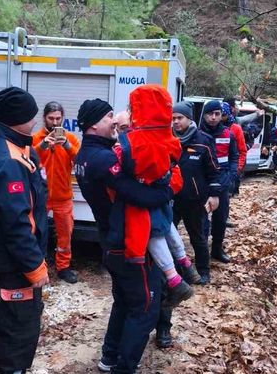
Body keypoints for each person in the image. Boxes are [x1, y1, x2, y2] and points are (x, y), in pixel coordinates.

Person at [74, 98, 174, 373]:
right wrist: (167, 191)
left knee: (125, 302)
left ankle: (109, 357)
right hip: (128, 242)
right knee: (144, 309)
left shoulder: (85, 155)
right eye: (109, 117)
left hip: (110, 240)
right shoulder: (104, 158)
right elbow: (136, 194)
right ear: (94, 124)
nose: (114, 122)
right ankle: (124, 367)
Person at [0, 87, 49, 374]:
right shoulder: (7, 160)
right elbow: (16, 222)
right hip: (12, 266)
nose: (36, 121)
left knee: (1, 316)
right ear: (16, 119)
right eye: (32, 116)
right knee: (19, 329)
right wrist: (35, 267)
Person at [107, 85, 198, 307]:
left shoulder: (132, 144)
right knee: (167, 227)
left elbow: (120, 167)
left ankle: (175, 280)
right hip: (162, 194)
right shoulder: (170, 139)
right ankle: (185, 263)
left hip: (142, 202)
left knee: (153, 235)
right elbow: (173, 166)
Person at [171, 101, 222, 284]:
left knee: (198, 237)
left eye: (180, 118)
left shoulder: (203, 141)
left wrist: (214, 194)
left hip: (194, 199)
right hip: (170, 199)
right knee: (168, 236)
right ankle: (174, 271)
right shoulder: (168, 139)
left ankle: (203, 271)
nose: (176, 122)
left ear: (189, 119)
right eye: (173, 118)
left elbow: (214, 170)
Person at [32, 101, 80, 284]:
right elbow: (26, 159)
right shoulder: (36, 139)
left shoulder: (70, 139)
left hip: (63, 197)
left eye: (58, 118)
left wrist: (66, 145)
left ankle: (63, 268)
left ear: (63, 118)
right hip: (40, 197)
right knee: (37, 232)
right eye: (51, 118)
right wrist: (43, 146)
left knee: (65, 234)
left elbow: (81, 160)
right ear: (44, 118)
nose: (54, 122)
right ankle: (37, 267)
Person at [200, 100, 238, 264]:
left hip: (222, 183)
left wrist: (231, 175)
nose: (214, 118)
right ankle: (201, 253)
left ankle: (216, 249)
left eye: (217, 114)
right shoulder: (197, 134)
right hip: (202, 184)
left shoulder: (228, 134)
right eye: (210, 114)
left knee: (221, 219)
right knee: (201, 220)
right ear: (204, 115)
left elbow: (234, 156)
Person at [221, 102, 247, 196]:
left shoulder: (236, 129)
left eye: (222, 115)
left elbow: (242, 150)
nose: (219, 118)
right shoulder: (213, 128)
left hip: (231, 169)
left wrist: (237, 168)